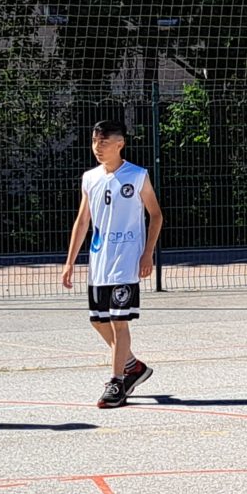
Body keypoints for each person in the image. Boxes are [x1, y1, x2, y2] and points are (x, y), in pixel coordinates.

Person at [60, 117, 164, 409]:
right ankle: (133, 366)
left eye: (104, 142)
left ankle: (117, 381)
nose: (97, 147)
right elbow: (83, 221)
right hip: (99, 261)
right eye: (94, 141)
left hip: (126, 260)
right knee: (97, 320)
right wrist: (70, 262)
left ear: (120, 144)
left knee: (119, 321)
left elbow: (156, 215)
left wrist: (147, 253)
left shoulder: (137, 175)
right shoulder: (90, 178)